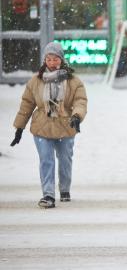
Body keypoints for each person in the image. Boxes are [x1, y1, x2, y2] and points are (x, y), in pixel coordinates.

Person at [11, 42, 88, 209]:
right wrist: (19, 127)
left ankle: (65, 188)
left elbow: (80, 101)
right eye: (49, 59)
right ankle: (48, 194)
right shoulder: (35, 81)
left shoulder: (73, 81)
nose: (52, 63)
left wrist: (77, 116)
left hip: (65, 126)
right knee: (46, 160)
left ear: (62, 60)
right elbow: (27, 104)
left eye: (55, 59)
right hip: (42, 127)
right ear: (44, 60)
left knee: (65, 160)